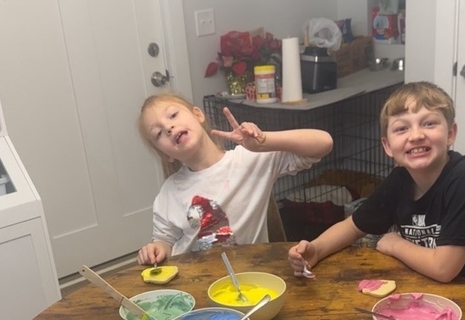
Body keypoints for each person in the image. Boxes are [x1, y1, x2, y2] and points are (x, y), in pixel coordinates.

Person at [287, 81, 465, 301]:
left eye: (429, 124)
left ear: (451, 133)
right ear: (387, 146)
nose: (416, 136)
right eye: (402, 128)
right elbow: (353, 227)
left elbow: (444, 268)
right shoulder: (400, 180)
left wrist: (395, 244)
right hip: (426, 294)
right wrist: (316, 249)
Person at [136, 93, 332, 264]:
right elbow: (164, 240)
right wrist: (157, 248)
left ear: (198, 115)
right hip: (195, 286)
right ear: (165, 155)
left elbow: (323, 143)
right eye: (159, 133)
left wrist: (264, 142)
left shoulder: (249, 159)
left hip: (249, 280)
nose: (169, 127)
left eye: (173, 115)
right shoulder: (170, 191)